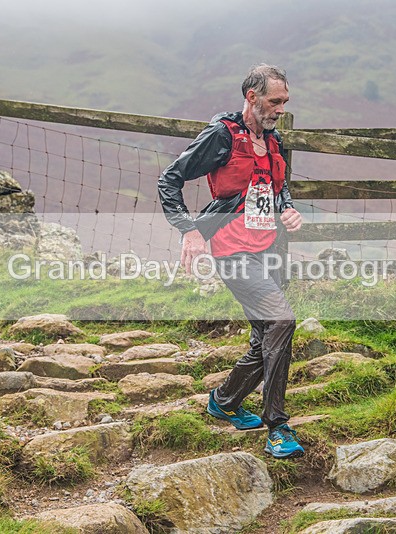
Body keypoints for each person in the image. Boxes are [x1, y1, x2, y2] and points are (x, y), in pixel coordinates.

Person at [158, 64, 304, 458]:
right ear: (252, 97)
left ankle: (224, 402)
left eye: (285, 102)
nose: (280, 109)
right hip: (231, 249)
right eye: (275, 102)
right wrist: (188, 230)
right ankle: (277, 426)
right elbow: (169, 179)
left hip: (267, 250)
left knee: (266, 338)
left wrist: (287, 208)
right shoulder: (223, 136)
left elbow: (277, 185)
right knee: (281, 321)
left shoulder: (271, 139)